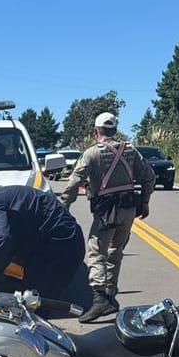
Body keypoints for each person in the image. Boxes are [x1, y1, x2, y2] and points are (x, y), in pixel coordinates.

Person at [59, 112, 155, 322]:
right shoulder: (130, 151)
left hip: (105, 211)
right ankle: (111, 296)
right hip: (129, 209)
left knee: (96, 252)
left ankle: (99, 297)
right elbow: (149, 176)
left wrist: (63, 207)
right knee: (115, 251)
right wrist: (145, 201)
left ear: (96, 131)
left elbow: (75, 182)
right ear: (114, 130)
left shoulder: (92, 154)